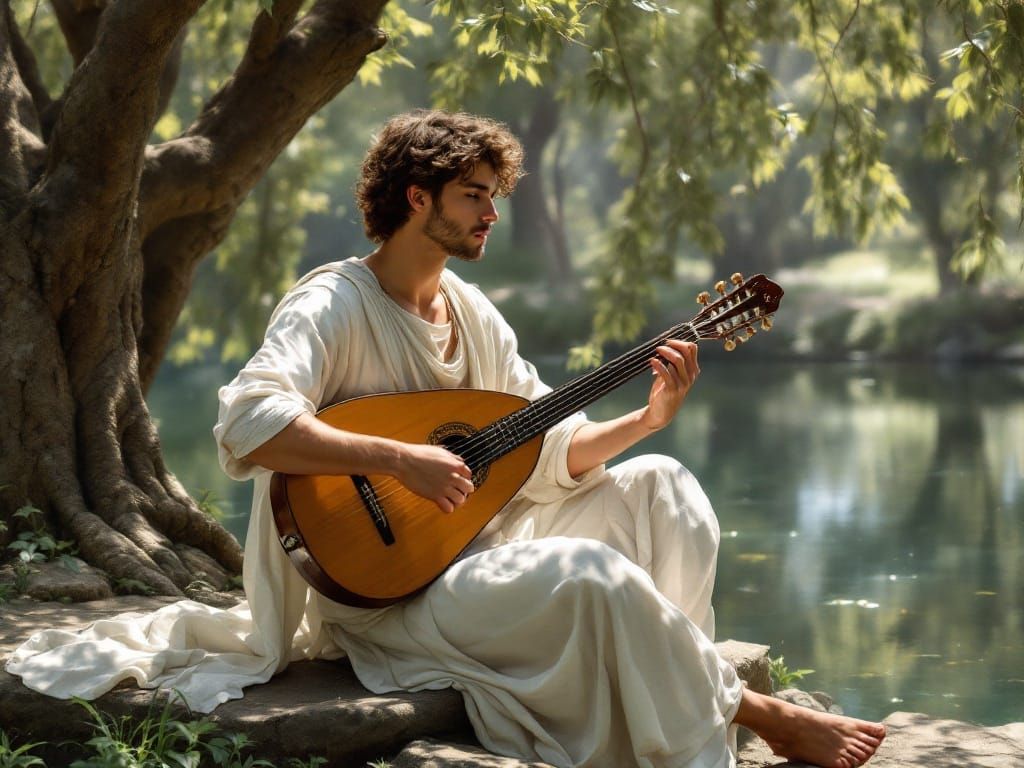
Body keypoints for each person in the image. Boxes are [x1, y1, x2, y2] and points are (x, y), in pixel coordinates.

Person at [8, 110, 886, 768]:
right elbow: (247, 419)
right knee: (592, 572)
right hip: (388, 592)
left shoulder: (471, 312)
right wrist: (395, 457)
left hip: (478, 554)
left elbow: (542, 453)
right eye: (475, 195)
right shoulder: (333, 303)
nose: (490, 215)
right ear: (416, 196)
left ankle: (670, 705)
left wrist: (643, 421)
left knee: (668, 487)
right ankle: (751, 716)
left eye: (494, 198)